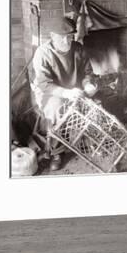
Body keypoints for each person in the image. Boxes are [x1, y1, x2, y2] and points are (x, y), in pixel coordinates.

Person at [32, 16, 97, 170]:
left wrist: (88, 84)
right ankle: (57, 151)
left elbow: (88, 72)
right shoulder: (43, 53)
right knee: (57, 108)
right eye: (62, 38)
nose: (67, 42)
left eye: (70, 37)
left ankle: (84, 139)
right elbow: (44, 84)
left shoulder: (78, 48)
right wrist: (66, 93)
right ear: (52, 36)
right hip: (50, 93)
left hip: (74, 89)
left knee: (96, 101)